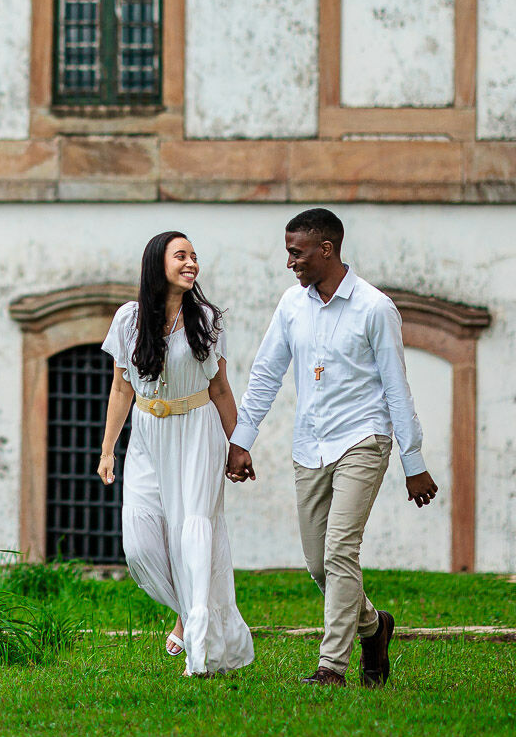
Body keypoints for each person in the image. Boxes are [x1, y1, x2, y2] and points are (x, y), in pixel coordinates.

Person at [226, 207, 437, 688]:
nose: (290, 263)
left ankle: (331, 667)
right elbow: (265, 374)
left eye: (296, 253)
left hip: (363, 439)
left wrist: (414, 462)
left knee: (342, 551)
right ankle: (374, 627)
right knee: (319, 564)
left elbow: (396, 389)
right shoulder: (291, 305)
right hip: (310, 445)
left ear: (327, 250)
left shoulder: (375, 308)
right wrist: (241, 440)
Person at [97, 230, 255, 677]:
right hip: (148, 435)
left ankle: (199, 651)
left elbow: (221, 389)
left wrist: (238, 445)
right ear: (157, 265)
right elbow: (121, 387)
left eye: (194, 256)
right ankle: (187, 610)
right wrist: (108, 450)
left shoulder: (206, 318)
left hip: (197, 432)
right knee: (140, 541)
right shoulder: (129, 320)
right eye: (181, 256)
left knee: (193, 531)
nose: (191, 263)